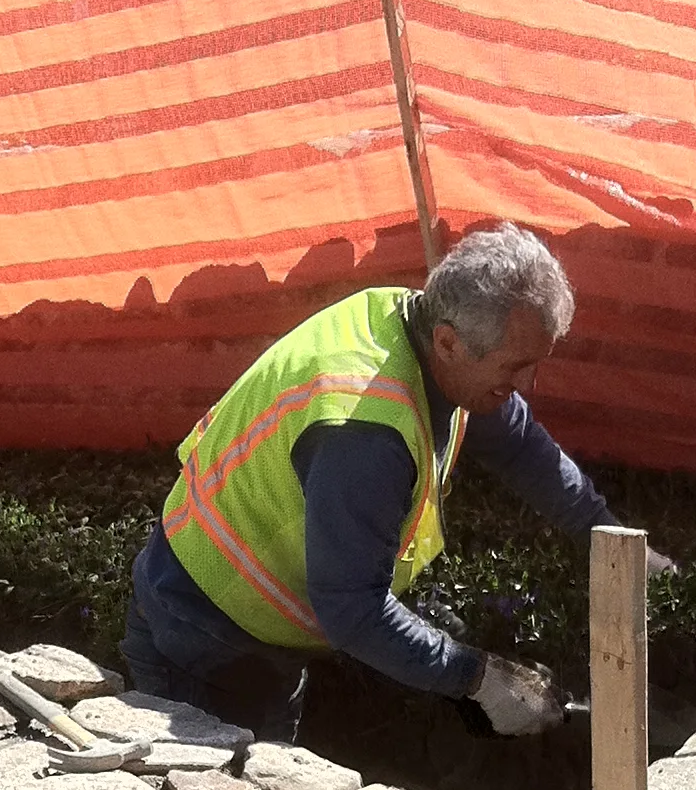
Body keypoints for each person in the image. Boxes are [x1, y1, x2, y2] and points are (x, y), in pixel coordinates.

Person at [122, 223, 667, 741]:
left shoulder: (421, 325)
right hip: (202, 636)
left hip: (253, 628)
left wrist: (614, 541)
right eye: (516, 366)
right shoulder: (364, 434)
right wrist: (478, 680)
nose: (526, 385)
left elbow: (523, 447)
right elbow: (352, 611)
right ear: (450, 343)